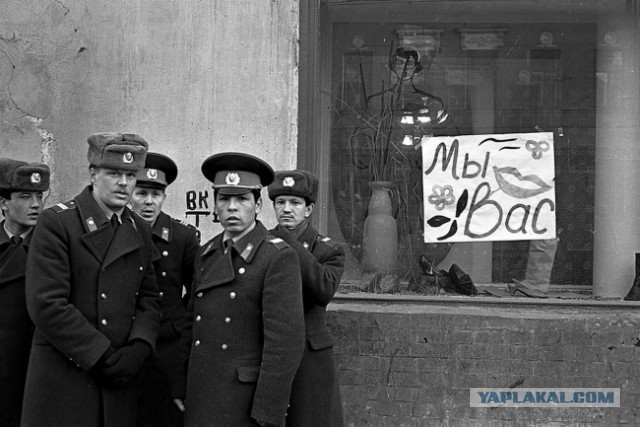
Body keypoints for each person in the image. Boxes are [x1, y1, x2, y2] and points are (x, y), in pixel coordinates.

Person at [22, 132, 162, 427]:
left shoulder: (139, 228)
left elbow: (149, 297)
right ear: (93, 174)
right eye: (113, 173)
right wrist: (99, 355)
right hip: (67, 378)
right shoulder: (58, 223)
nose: (124, 183)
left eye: (130, 174)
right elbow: (47, 304)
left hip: (119, 381)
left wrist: (139, 348)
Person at [174, 152, 305, 427]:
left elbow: (284, 344)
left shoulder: (276, 257)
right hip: (201, 392)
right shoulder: (207, 253)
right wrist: (181, 384)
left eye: (242, 199)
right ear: (215, 206)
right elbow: (191, 323)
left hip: (244, 400)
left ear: (258, 205)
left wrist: (268, 411)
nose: (232, 207)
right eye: (224, 199)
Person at [268, 170, 345, 427]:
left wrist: (289, 241)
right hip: (269, 350)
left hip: (309, 357)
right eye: (280, 202)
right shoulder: (261, 243)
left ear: (308, 209)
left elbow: (323, 290)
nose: (286, 209)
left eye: (295, 203)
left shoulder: (329, 249)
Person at [130, 152, 200, 427]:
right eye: (142, 193)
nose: (148, 202)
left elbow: (197, 293)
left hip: (166, 348)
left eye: (156, 194)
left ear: (164, 197)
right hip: (124, 345)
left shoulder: (182, 237)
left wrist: (175, 323)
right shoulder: (115, 233)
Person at [0, 158, 50, 427]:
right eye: (24, 196)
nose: (35, 205)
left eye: (39, 196)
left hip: (34, 368)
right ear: (3, 202)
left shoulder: (53, 250)